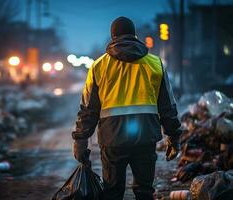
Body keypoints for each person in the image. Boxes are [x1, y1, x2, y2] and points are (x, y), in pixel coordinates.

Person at [72, 16, 182, 200]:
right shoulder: (155, 64)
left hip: (113, 139)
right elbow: (167, 106)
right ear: (134, 35)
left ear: (113, 36)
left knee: (112, 192)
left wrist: (81, 139)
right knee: (144, 192)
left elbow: (89, 108)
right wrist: (174, 135)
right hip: (146, 137)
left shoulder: (98, 66)